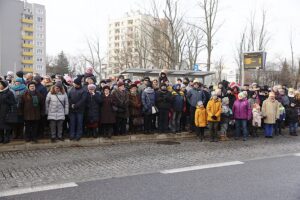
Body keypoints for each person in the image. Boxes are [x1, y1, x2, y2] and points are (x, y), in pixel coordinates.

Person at [68, 77, 87, 141]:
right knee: (72, 123)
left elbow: (83, 100)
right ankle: (72, 135)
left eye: (75, 83)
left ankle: (79, 135)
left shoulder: (83, 90)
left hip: (80, 110)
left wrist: (75, 105)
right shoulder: (71, 89)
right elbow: (69, 98)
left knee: (79, 123)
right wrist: (71, 105)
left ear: (78, 84)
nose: (74, 84)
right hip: (72, 110)